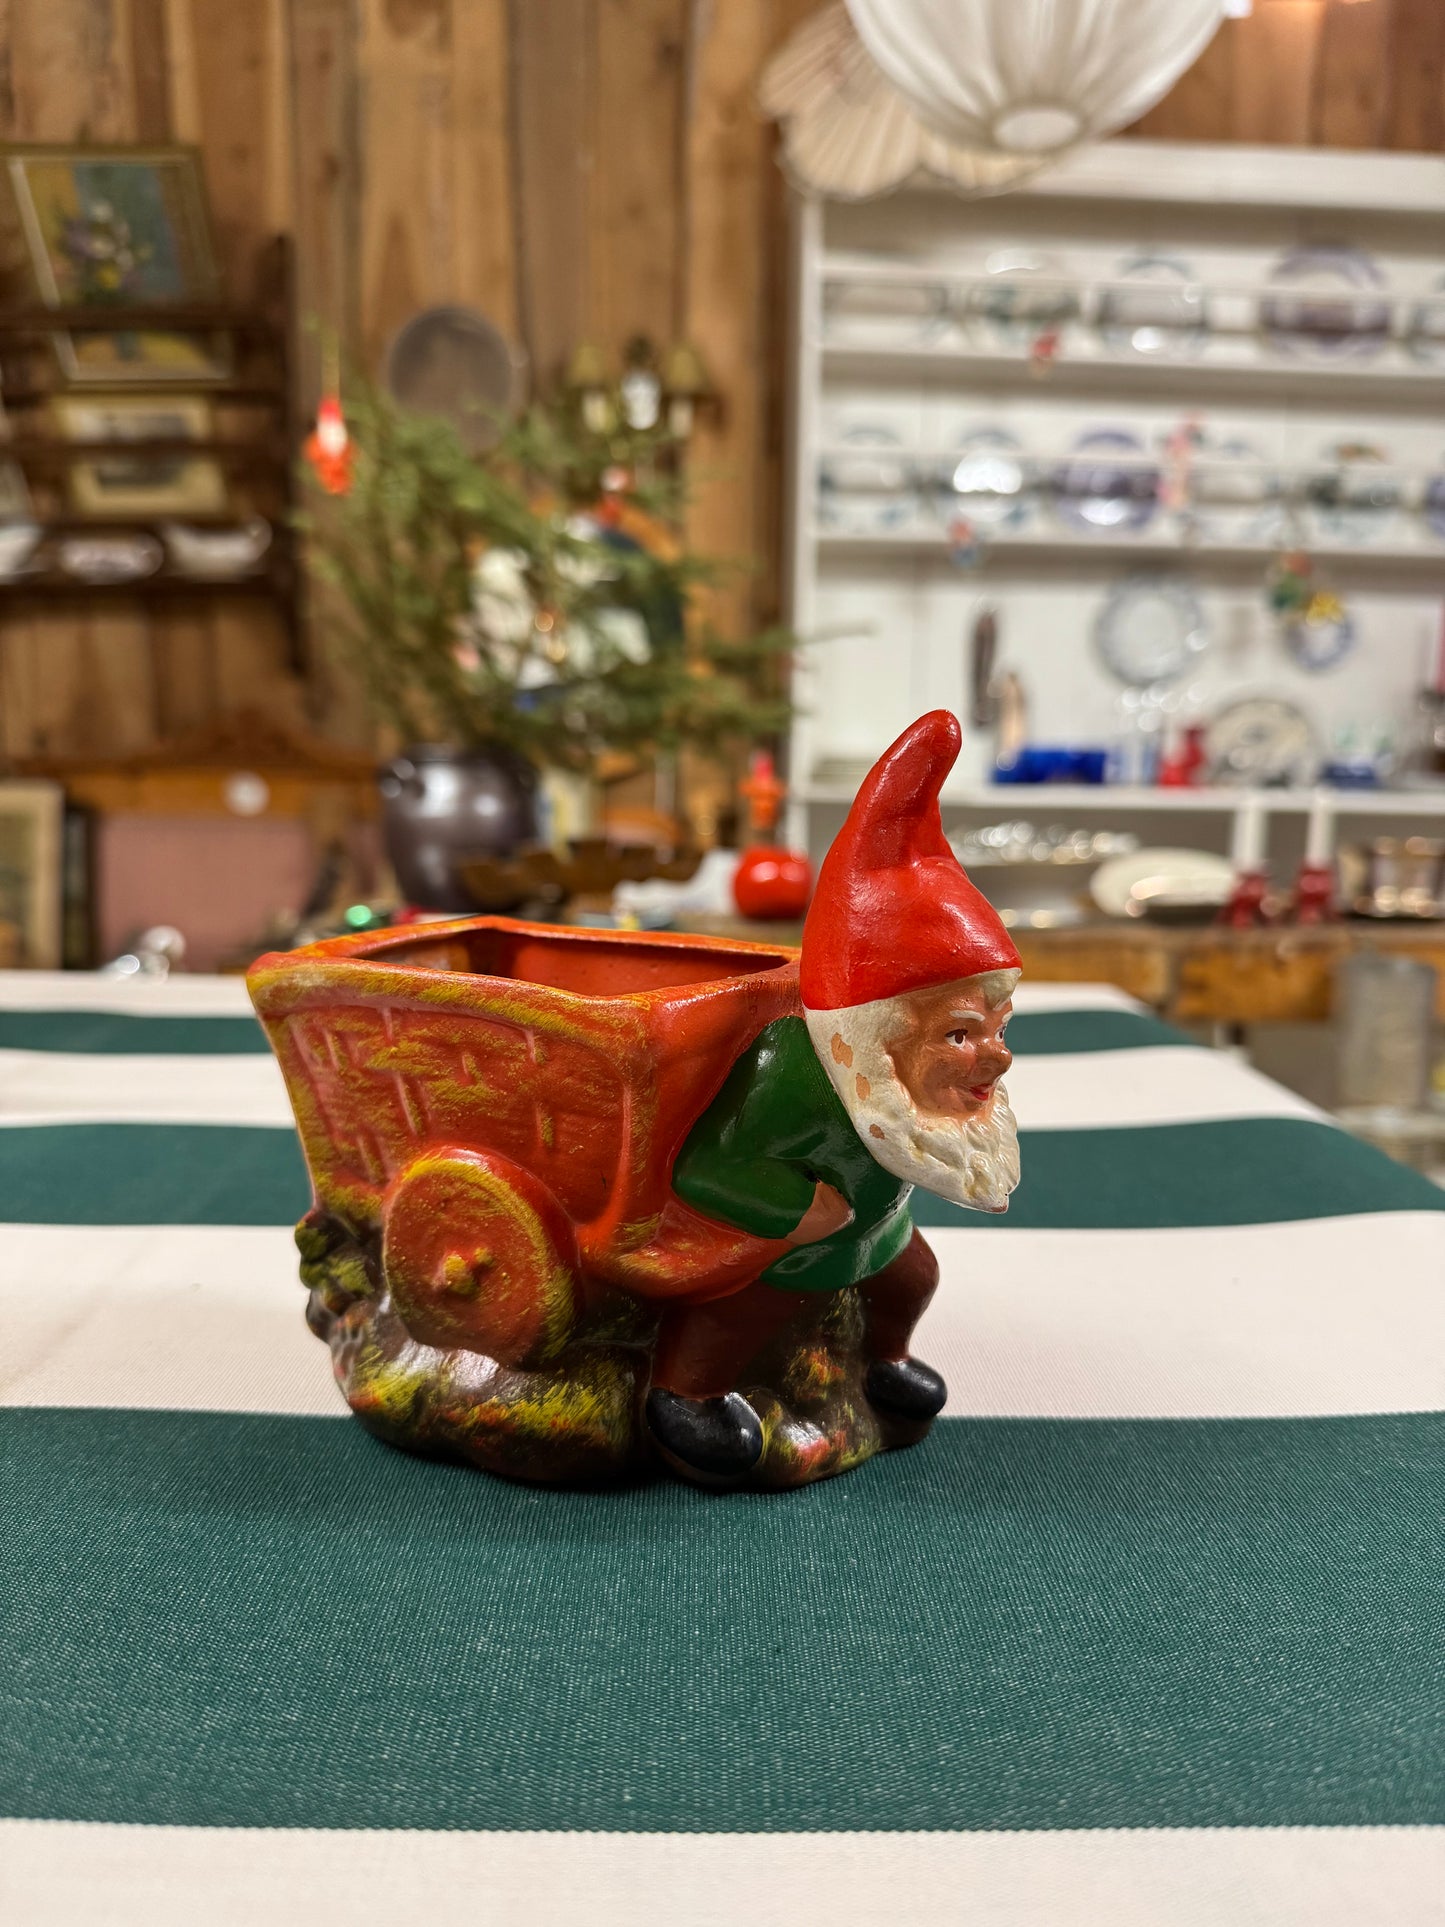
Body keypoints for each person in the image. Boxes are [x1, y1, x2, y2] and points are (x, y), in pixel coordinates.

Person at [647, 709, 1022, 1483]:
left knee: (913, 1276)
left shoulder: (902, 1094)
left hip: (872, 1234)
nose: (995, 1055)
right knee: (744, 1309)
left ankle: (883, 1359)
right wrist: (794, 1211)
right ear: (874, 1035)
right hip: (787, 1248)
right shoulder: (792, 1074)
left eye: (997, 1026)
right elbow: (705, 1169)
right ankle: (683, 1396)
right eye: (959, 1034)